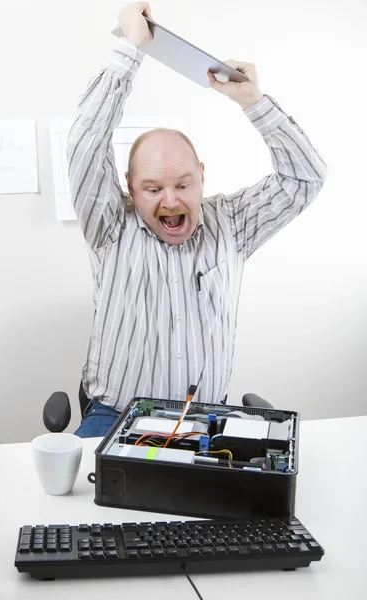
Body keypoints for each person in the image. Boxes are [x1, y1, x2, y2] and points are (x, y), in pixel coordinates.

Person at [68, 2, 327, 438]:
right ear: (131, 188)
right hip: (113, 417)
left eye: (183, 184)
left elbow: (306, 177)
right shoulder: (109, 224)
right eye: (152, 189)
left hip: (204, 420)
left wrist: (253, 102)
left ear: (202, 176)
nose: (170, 200)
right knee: (84, 508)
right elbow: (84, 144)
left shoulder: (233, 223)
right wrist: (133, 49)